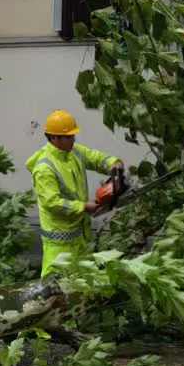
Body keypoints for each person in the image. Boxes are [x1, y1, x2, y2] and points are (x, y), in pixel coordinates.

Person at [26, 109, 123, 276]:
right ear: (54, 137)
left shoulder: (74, 151)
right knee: (55, 287)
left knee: (82, 284)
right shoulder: (44, 168)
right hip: (59, 242)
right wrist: (84, 206)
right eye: (69, 136)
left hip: (80, 235)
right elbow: (53, 203)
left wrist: (114, 164)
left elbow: (95, 157)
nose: (73, 139)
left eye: (73, 135)